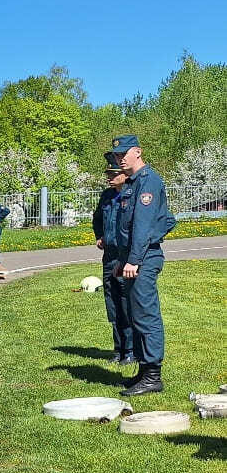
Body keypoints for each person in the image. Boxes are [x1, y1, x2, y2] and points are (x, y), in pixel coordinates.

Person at [108, 135, 175, 396]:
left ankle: (153, 376)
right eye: (117, 155)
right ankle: (143, 372)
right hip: (133, 258)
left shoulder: (148, 181)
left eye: (125, 153)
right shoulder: (132, 184)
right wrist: (124, 261)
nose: (120, 158)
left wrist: (134, 260)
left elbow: (144, 227)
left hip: (144, 259)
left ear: (138, 151)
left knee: (146, 315)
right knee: (135, 315)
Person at [91, 156, 134, 366]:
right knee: (112, 304)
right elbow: (97, 218)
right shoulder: (107, 196)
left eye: (113, 174)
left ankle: (131, 350)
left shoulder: (131, 194)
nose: (109, 177)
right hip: (109, 257)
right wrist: (99, 235)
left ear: (124, 175)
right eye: (108, 174)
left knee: (127, 303)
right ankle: (118, 349)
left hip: (125, 258)